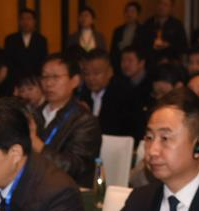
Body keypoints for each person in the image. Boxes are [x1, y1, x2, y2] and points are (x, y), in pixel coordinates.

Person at [33, 54, 102, 186]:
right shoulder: (33, 114)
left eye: (55, 77)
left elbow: (76, 167)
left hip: (66, 190)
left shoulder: (85, 121)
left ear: (75, 81)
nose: (48, 83)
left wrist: (38, 146)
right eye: (45, 77)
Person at [78, 49, 131, 137]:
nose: (91, 78)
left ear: (110, 72)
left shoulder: (125, 97)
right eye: (86, 74)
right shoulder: (81, 97)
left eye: (96, 73)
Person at [138, 0, 187, 66]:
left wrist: (168, 45)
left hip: (171, 64)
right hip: (150, 63)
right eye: (160, 3)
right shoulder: (147, 24)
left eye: (165, 5)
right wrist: (152, 46)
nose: (161, 7)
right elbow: (140, 45)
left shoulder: (177, 25)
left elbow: (183, 47)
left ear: (171, 8)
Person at [119, 46, 153, 139]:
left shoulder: (151, 84)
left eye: (130, 61)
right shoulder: (119, 83)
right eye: (123, 61)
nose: (125, 65)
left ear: (141, 63)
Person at [4, 8, 48, 81]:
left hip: (35, 79)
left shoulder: (41, 40)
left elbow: (43, 61)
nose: (25, 22)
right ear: (19, 22)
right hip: (15, 78)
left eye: (28, 19)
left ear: (34, 21)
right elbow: (8, 61)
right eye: (22, 19)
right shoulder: (10, 39)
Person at [110, 2, 142, 71]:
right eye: (127, 11)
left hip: (135, 66)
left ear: (138, 14)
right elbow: (113, 51)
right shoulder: (118, 30)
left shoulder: (143, 30)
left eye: (132, 11)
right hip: (118, 65)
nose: (129, 14)